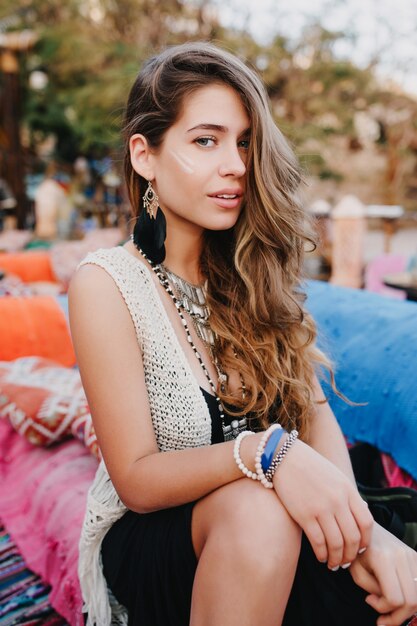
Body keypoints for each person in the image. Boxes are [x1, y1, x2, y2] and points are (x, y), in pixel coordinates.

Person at [68, 42, 417, 626]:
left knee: (390, 574)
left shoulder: (255, 273)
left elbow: (313, 410)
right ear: (144, 155)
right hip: (162, 539)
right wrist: (266, 453)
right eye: (206, 140)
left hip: (279, 521)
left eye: (245, 142)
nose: (235, 163)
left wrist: (365, 535)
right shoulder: (107, 283)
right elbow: (136, 479)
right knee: (259, 511)